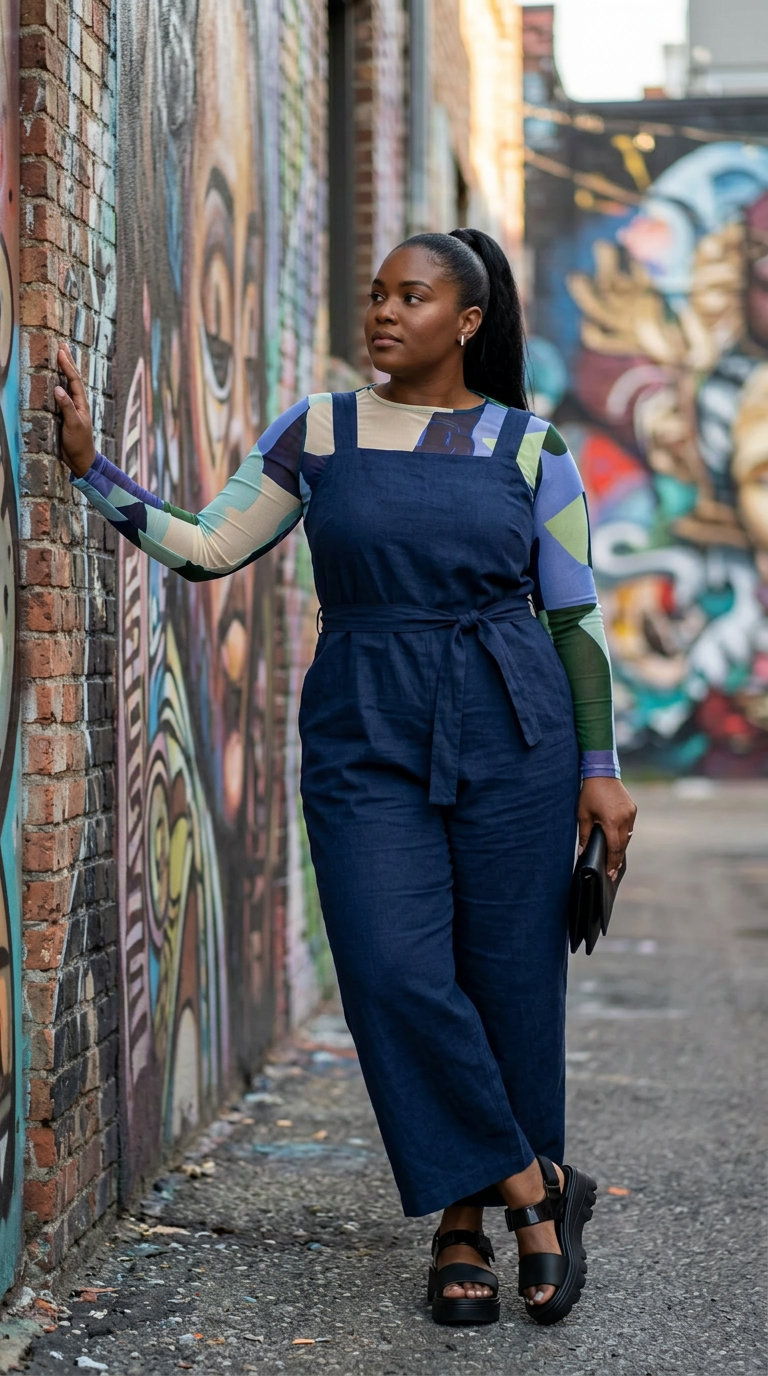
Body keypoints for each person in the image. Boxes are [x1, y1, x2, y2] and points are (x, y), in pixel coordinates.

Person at [56, 227, 637, 1328]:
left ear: (468, 322)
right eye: (376, 294)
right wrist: (96, 474)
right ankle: (538, 1190)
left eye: (411, 297)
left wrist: (598, 770)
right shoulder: (317, 430)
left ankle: (463, 1226)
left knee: (509, 974)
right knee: (390, 964)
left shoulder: (533, 447)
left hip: (516, 724)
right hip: (366, 723)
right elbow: (210, 547)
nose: (383, 312)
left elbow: (574, 620)